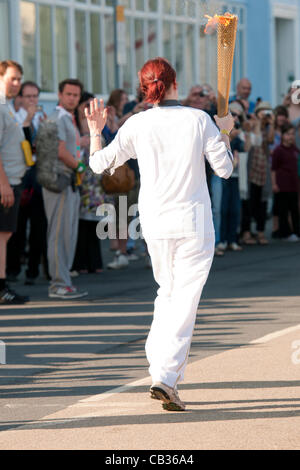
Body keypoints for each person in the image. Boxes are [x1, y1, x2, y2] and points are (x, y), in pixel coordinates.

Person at [87, 57, 234, 411]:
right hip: (194, 222)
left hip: (154, 222)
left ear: (145, 88)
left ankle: (159, 369)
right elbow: (225, 169)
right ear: (174, 84)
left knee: (167, 294)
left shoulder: (137, 124)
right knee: (183, 300)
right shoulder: (199, 119)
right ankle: (165, 378)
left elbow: (97, 164)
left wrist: (95, 130)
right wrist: (226, 130)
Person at [42, 78, 88, 299]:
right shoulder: (59, 116)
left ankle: (64, 281)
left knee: (67, 234)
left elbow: (72, 146)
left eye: (76, 95)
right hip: (59, 180)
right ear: (60, 95)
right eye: (68, 94)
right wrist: (80, 166)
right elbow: (60, 151)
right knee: (59, 234)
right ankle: (58, 284)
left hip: (69, 180)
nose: (72, 98)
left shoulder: (68, 117)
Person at [6, 80, 49, 285]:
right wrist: (28, 119)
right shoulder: (15, 116)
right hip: (20, 176)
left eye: (35, 96)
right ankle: (13, 268)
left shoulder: (42, 117)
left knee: (39, 227)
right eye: (28, 96)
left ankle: (33, 270)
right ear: (20, 97)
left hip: (38, 176)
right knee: (17, 227)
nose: (32, 100)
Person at [0, 60, 28, 304]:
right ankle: (2, 287)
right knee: (2, 234)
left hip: (12, 178)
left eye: (19, 78)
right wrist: (3, 184)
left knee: (5, 234)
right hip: (5, 180)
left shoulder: (6, 105)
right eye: (13, 78)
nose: (17, 83)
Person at [71, 91, 106, 274]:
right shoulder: (74, 121)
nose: (92, 109)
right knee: (82, 225)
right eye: (88, 104)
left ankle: (94, 262)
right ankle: (82, 263)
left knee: (93, 225)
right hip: (82, 181)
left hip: (95, 183)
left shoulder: (97, 122)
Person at [241, 101, 273, 245]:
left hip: (262, 168)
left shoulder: (267, 127)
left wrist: (270, 123)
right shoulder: (251, 124)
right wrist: (257, 123)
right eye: (263, 111)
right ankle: (246, 232)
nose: (265, 114)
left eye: (268, 111)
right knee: (248, 201)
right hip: (250, 168)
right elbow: (254, 142)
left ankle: (260, 232)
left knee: (262, 202)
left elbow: (270, 140)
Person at [219, 102, 246, 251]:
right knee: (223, 208)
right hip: (223, 175)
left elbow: (245, 149)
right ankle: (222, 239)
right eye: (232, 114)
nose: (235, 117)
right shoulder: (221, 128)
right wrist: (228, 135)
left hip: (236, 175)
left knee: (235, 208)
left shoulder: (241, 132)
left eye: (238, 115)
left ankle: (232, 239)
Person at [271, 123, 300, 241]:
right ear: (282, 135)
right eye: (288, 134)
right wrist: (274, 184)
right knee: (283, 210)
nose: (290, 137)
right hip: (282, 185)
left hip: (294, 185)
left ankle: (297, 232)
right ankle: (285, 233)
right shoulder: (278, 150)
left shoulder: (295, 149)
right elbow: (273, 169)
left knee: (294, 210)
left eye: (292, 134)